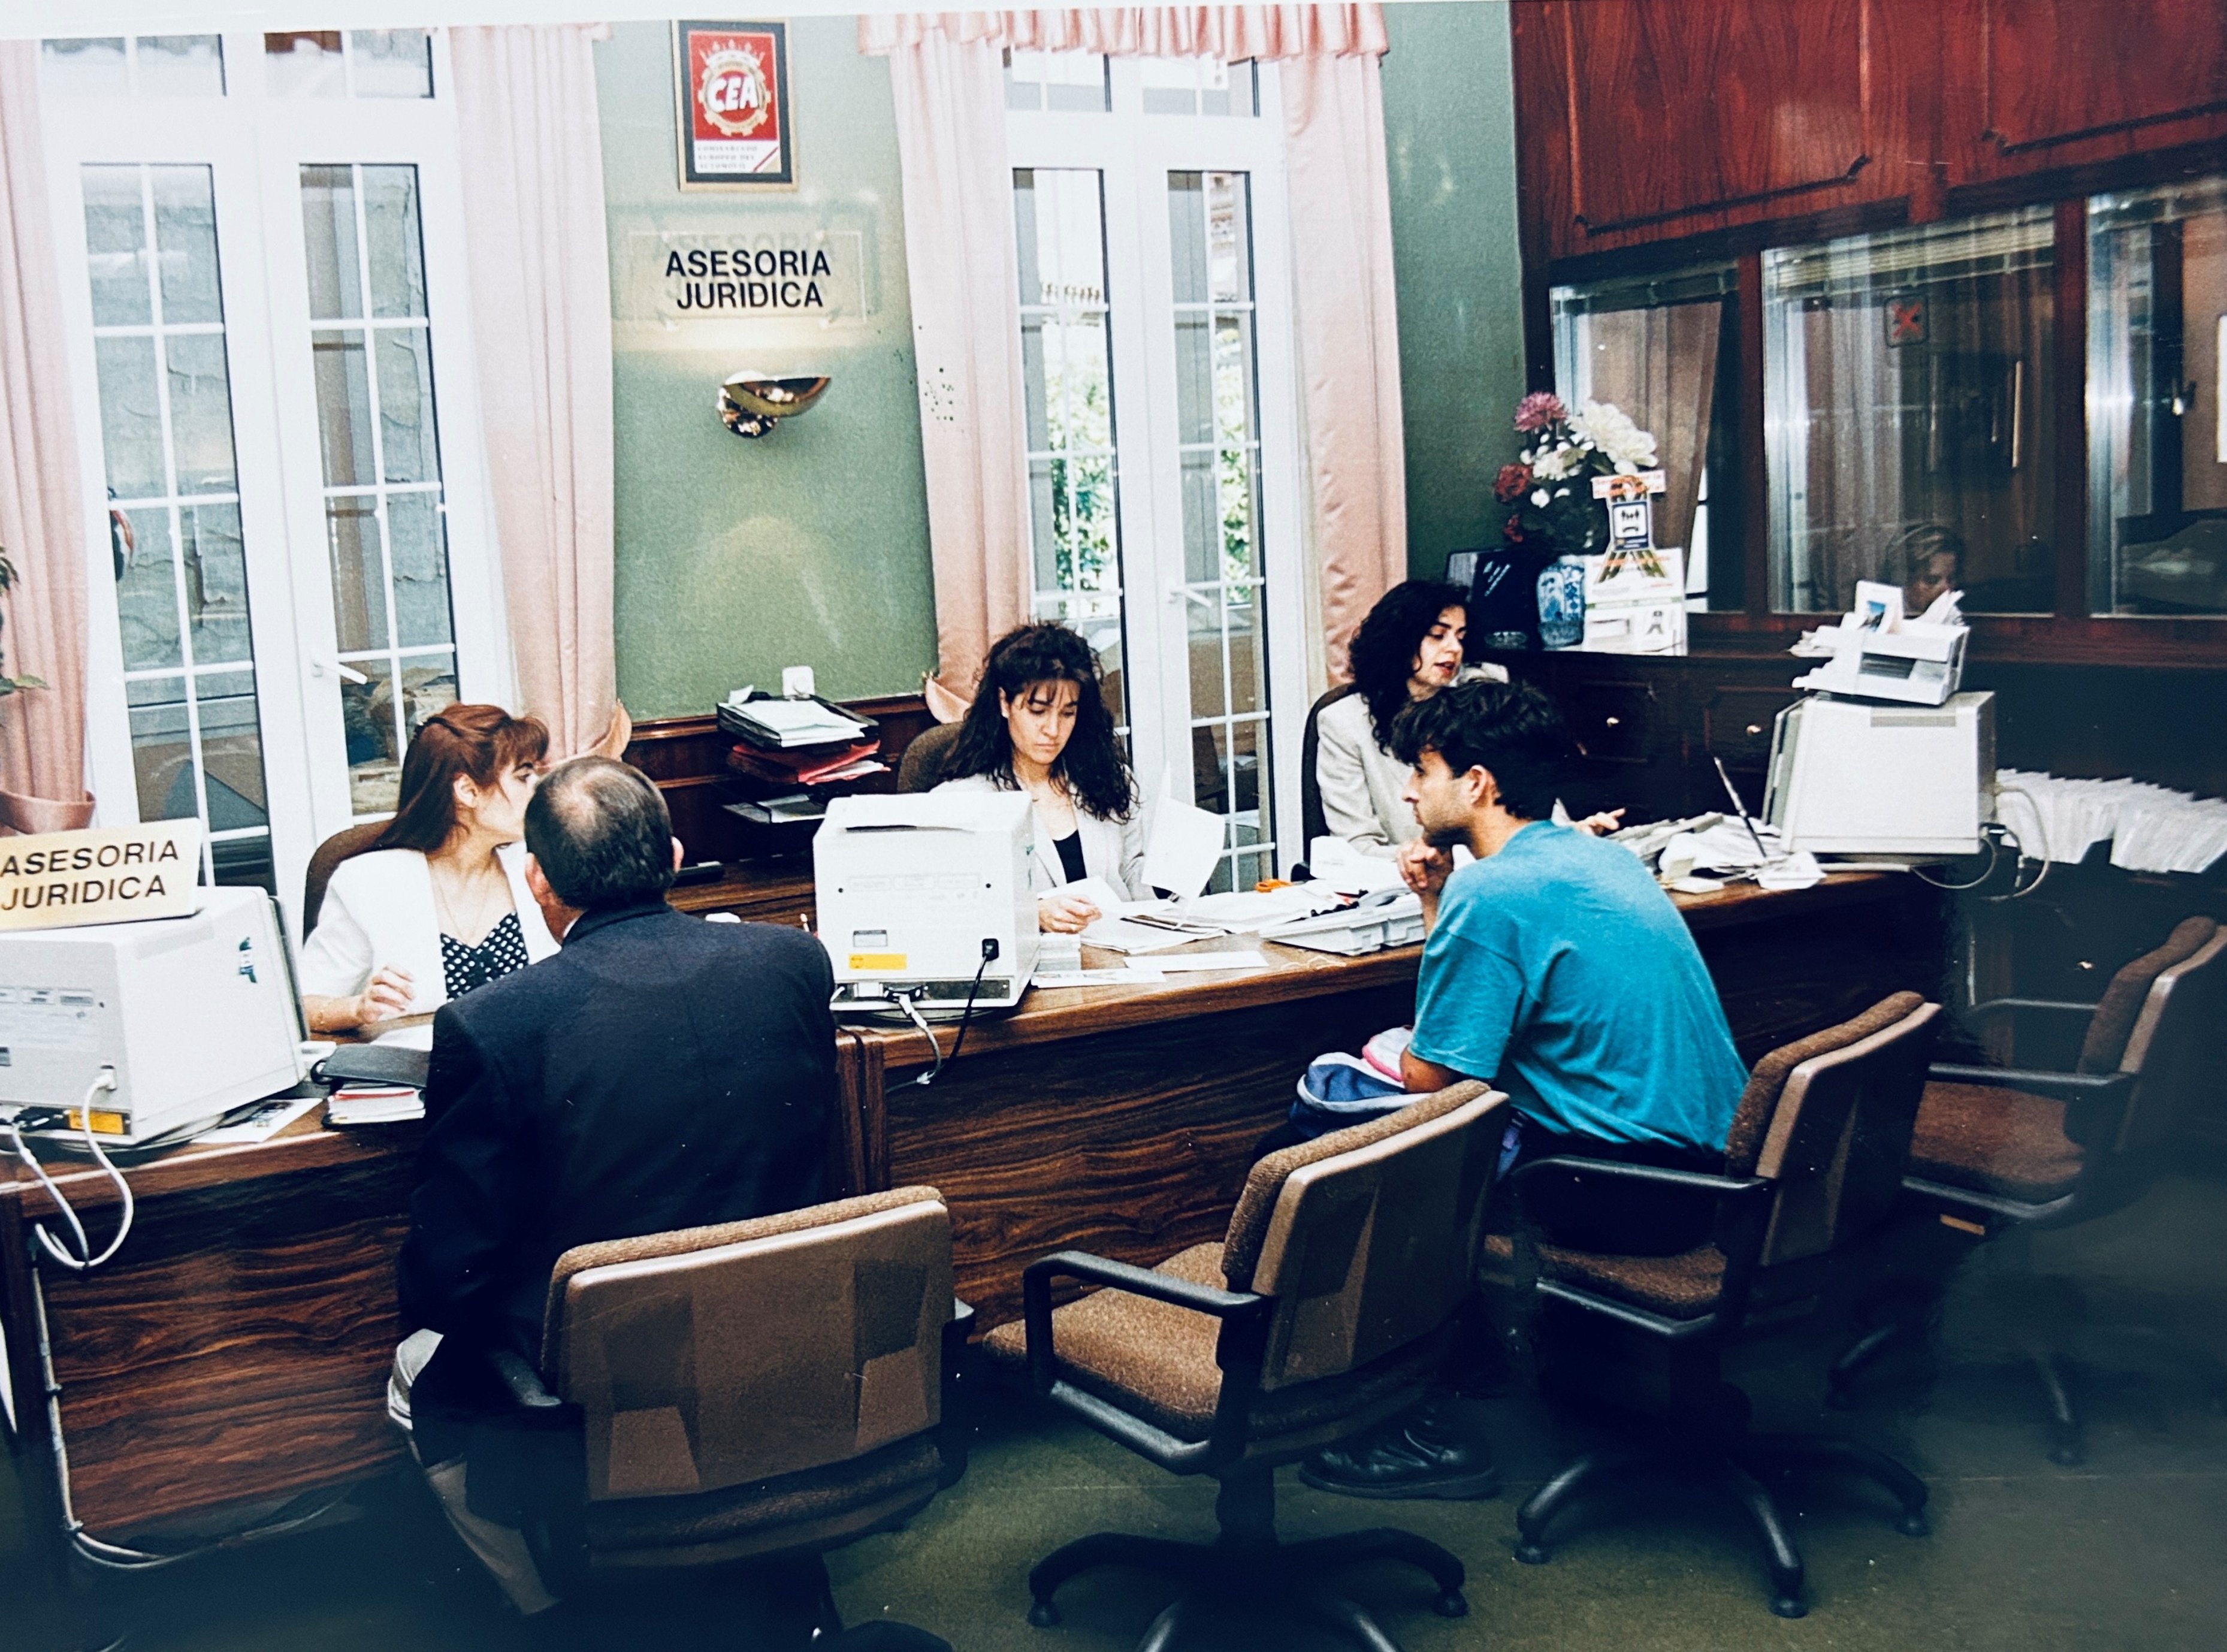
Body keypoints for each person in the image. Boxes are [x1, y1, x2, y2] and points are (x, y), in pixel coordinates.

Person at [392, 756, 838, 1613]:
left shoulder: (491, 1024)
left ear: (538, 879)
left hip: (604, 1388)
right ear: (673, 857)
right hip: (785, 1341)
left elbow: (448, 1278)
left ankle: (551, 1615)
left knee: (418, 1372)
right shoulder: (792, 964)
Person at [1300, 679, 1749, 1502]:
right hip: (1715, 1175)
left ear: (1476, 784)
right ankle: (1477, 1364)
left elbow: (1439, 1076)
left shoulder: (1495, 891)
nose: (1409, 791)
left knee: (1353, 1149)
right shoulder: (1594, 857)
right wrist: (1435, 899)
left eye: (1423, 771)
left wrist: (1448, 905)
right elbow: (1473, 1020)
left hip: (1629, 1189)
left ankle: (1417, 1425)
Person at [299, 705, 560, 1038]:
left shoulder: (544, 865)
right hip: (421, 1068)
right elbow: (304, 1005)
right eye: (523, 777)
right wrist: (359, 1008)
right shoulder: (369, 883)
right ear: (467, 791)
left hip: (540, 1062)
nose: (537, 787)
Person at [935, 623, 1146, 934]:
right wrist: (1031, 913)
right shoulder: (962, 802)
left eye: (1067, 713)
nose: (1053, 730)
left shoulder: (1111, 780)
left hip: (1119, 951)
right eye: (1038, 711)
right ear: (1004, 703)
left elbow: (1131, 877)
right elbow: (951, 906)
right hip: (1033, 959)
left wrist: (1169, 881)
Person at [1315, 582, 1506, 858]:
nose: (1454, 648)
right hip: (1402, 876)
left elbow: (1532, 803)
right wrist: (1434, 860)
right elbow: (1357, 847)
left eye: (1460, 637)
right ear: (1400, 641)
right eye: (1438, 636)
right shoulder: (1344, 722)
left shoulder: (1482, 700)